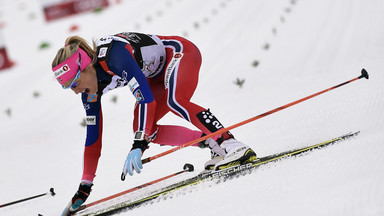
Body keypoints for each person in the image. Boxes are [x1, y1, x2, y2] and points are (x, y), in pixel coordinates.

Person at [52, 32, 257, 215]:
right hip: (156, 77)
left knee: (175, 101)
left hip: (180, 54)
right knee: (145, 128)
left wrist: (139, 144)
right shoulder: (89, 95)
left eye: (75, 83)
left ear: (87, 68)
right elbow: (93, 139)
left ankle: (232, 145)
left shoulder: (114, 56)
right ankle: (214, 145)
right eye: (69, 88)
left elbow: (146, 99)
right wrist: (84, 188)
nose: (76, 92)